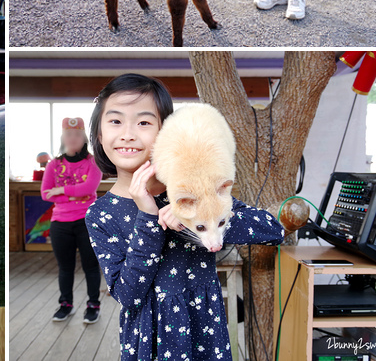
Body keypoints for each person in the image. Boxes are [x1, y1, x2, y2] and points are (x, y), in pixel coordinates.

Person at [84, 74, 284, 361]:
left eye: (143, 122)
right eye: (115, 121)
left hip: (204, 329)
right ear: (100, 134)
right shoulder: (101, 213)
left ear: (165, 132)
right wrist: (149, 218)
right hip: (149, 339)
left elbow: (272, 229)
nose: (128, 133)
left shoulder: (196, 190)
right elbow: (128, 296)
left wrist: (205, 221)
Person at [41, 117, 103, 324]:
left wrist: (60, 190)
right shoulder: (53, 165)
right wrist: (73, 195)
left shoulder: (92, 162)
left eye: (77, 134)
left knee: (90, 266)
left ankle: (93, 305)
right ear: (63, 137)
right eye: (69, 134)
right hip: (60, 223)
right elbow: (45, 194)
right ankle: (66, 304)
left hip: (86, 220)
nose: (73, 138)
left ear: (84, 137)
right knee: (65, 267)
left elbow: (89, 189)